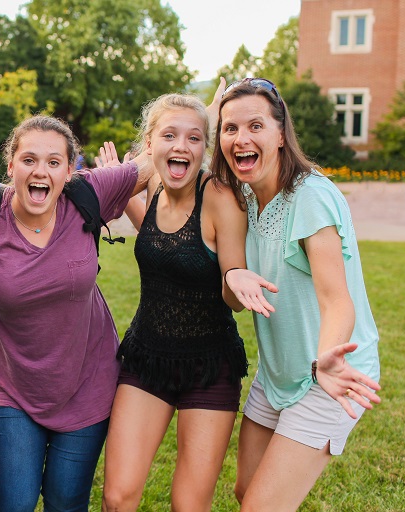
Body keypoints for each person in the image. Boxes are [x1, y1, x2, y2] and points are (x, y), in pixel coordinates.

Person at [210, 77, 381, 511]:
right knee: (246, 491)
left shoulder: (310, 197)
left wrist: (326, 358)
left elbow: (336, 300)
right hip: (278, 371)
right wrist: (232, 278)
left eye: (255, 126)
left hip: (330, 374)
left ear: (281, 134)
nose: (241, 139)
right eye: (230, 129)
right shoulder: (244, 195)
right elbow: (235, 297)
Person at [100, 93, 275, 512]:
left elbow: (232, 293)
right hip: (147, 359)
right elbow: (160, 241)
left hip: (208, 367)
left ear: (204, 148)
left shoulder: (220, 197)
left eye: (194, 138)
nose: (181, 146)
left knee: (188, 504)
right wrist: (122, 191)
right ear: (149, 144)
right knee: (117, 496)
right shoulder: (156, 184)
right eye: (170, 136)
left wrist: (236, 278)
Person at [0, 115, 153, 511]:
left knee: (65, 502)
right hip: (13, 386)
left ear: (71, 170)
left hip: (89, 383)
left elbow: (158, 156)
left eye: (54, 162)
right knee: (11, 504)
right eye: (29, 159)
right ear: (11, 164)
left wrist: (208, 115)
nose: (40, 171)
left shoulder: (88, 194)